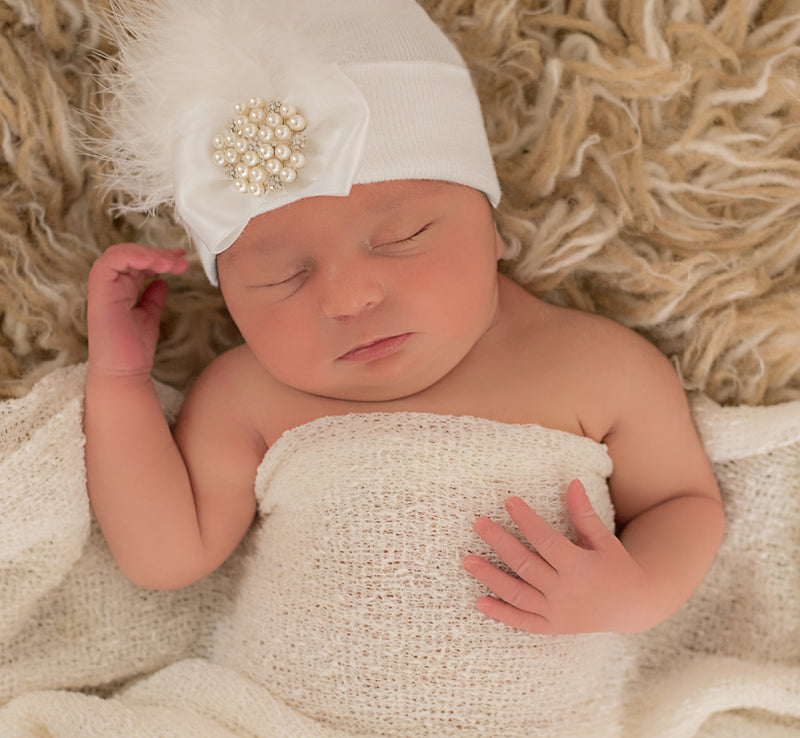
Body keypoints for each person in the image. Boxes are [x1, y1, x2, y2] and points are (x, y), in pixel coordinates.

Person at [84, 0, 724, 637]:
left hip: (541, 737)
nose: (347, 299)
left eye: (402, 236)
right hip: (284, 732)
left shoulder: (594, 366)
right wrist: (118, 382)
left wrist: (639, 594)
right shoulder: (247, 399)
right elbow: (165, 559)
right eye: (282, 277)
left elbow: (681, 504)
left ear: (492, 228)